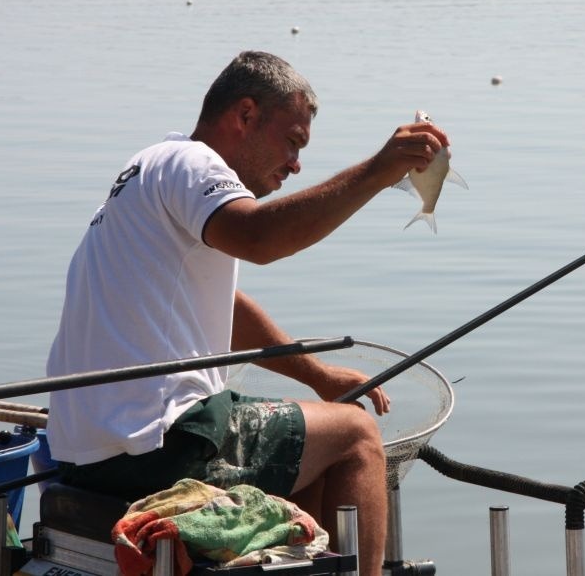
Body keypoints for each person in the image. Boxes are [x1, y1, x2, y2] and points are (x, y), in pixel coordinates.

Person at [45, 50, 451, 576]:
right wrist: (379, 170)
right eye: (292, 141)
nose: (296, 163)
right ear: (245, 116)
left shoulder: (150, 168)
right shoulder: (195, 165)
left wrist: (318, 374)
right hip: (156, 443)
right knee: (355, 434)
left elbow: (226, 309)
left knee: (316, 448)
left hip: (87, 451)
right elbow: (258, 238)